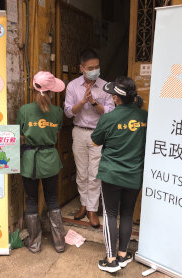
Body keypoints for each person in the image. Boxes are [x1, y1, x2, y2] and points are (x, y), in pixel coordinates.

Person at [91, 76, 147, 273]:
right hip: (134, 174)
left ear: (116, 98)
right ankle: (123, 254)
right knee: (127, 214)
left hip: (112, 175)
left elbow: (95, 142)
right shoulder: (144, 117)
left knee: (110, 214)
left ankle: (111, 259)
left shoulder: (108, 118)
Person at [64, 49, 114, 228]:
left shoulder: (105, 86)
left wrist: (94, 102)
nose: (95, 70)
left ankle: (92, 209)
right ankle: (83, 204)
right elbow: (69, 112)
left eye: (97, 67)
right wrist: (83, 102)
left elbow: (110, 112)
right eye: (90, 67)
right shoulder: (72, 86)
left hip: (98, 133)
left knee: (94, 173)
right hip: (79, 131)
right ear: (82, 68)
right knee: (81, 171)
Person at [17, 71, 66, 253]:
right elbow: (58, 130)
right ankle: (59, 242)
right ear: (52, 91)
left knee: (31, 200)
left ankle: (35, 243)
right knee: (52, 198)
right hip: (50, 160)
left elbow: (20, 132)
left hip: (30, 161)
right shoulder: (58, 112)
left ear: (34, 88)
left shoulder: (24, 111)